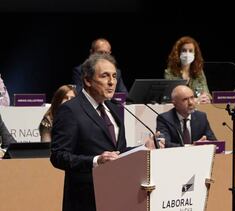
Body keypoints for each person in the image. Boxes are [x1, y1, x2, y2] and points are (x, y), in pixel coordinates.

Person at [50, 53, 163, 211]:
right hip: (86, 199)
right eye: (104, 76)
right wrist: (96, 161)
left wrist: (144, 148)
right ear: (87, 80)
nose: (111, 82)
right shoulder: (70, 110)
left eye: (114, 76)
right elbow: (58, 156)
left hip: (119, 194)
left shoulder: (115, 108)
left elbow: (119, 152)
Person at [165, 36, 211, 104]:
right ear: (178, 53)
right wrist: (195, 100)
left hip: (197, 109)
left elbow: (206, 93)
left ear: (195, 54)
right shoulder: (170, 73)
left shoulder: (199, 72)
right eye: (184, 50)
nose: (187, 54)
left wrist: (206, 98)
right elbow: (171, 97)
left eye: (190, 51)